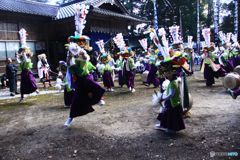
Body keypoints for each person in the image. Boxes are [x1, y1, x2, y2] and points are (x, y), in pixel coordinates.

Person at [64, 44, 105, 127]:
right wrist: (72, 65)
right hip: (78, 81)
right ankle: (70, 118)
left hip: (86, 77)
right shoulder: (70, 59)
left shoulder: (83, 56)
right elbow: (74, 73)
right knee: (76, 100)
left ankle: (98, 99)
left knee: (96, 87)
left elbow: (83, 71)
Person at [155, 64, 185, 134]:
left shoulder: (173, 83)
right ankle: (163, 125)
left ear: (172, 74)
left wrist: (163, 99)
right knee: (165, 114)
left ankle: (171, 128)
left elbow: (171, 94)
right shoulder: (173, 82)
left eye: (168, 74)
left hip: (173, 103)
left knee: (171, 117)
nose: (166, 75)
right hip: (172, 102)